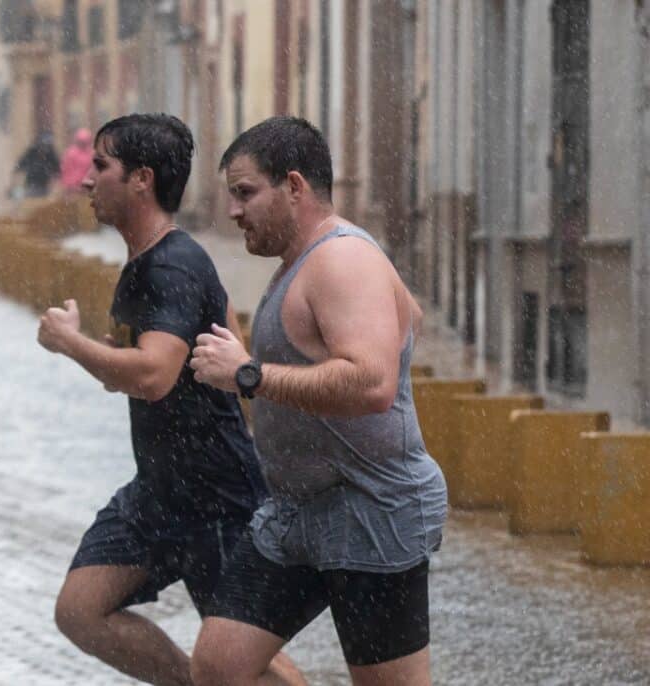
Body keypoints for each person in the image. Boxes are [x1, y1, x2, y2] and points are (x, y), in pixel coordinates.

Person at [36, 113, 304, 686]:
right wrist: (107, 353)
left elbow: (155, 375)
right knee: (81, 609)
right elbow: (155, 368)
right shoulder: (146, 261)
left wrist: (71, 344)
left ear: (142, 179)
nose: (87, 179)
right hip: (159, 492)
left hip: (215, 498)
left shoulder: (173, 264)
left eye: (101, 165)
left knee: (244, 664)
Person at [190, 116, 448, 686]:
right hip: (297, 516)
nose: (234, 211)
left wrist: (250, 375)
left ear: (295, 186)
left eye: (245, 192)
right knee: (219, 665)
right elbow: (411, 317)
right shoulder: (317, 259)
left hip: (370, 512)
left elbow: (373, 385)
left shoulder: (341, 260)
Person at [13, 131, 60, 197]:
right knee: (32, 201)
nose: (44, 149)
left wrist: (54, 187)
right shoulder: (32, 152)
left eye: (46, 146)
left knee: (41, 203)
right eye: (43, 145)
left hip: (44, 186)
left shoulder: (51, 154)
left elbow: (57, 171)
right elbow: (20, 166)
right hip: (31, 184)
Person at [60, 127, 94, 193]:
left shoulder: (91, 153)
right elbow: (65, 169)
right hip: (72, 186)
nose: (83, 143)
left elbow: (92, 170)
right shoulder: (71, 153)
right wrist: (69, 184)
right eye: (81, 141)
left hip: (85, 186)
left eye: (84, 141)